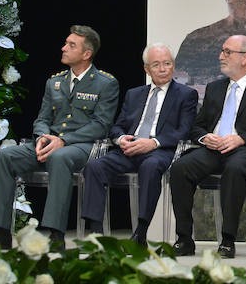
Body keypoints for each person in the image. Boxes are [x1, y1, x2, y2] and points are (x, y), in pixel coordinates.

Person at [0, 25, 119, 250]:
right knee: (3, 157)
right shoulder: (54, 82)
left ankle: (53, 234)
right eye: (66, 43)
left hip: (81, 146)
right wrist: (41, 136)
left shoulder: (106, 83)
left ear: (86, 54)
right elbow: (41, 118)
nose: (63, 48)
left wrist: (64, 140)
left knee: (60, 157)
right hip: (49, 142)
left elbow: (101, 125)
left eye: (71, 45)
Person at [168, 34, 246, 258]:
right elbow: (196, 127)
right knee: (180, 168)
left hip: (243, 149)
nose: (221, 56)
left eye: (227, 52)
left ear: (245, 57)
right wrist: (205, 138)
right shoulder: (215, 88)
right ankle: (184, 238)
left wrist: (242, 138)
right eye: (222, 51)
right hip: (212, 148)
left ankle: (228, 240)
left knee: (235, 169)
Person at [80, 43, 197, 244]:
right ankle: (96, 233)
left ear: (174, 65)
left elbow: (184, 131)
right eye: (157, 64)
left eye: (167, 64)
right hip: (129, 149)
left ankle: (140, 232)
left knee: (150, 167)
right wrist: (121, 138)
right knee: (94, 167)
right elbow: (117, 126)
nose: (163, 69)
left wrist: (153, 143)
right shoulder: (134, 94)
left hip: (159, 152)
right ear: (146, 69)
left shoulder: (186, 94)